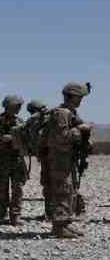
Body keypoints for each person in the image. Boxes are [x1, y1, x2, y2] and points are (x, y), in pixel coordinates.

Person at [45, 82, 92, 238]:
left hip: (67, 157)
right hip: (60, 157)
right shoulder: (62, 113)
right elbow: (61, 137)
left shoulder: (70, 113)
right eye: (78, 97)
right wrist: (80, 129)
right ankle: (59, 226)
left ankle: (64, 223)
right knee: (62, 190)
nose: (80, 100)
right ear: (70, 96)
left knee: (69, 190)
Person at [0, 95, 27, 225]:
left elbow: (26, 137)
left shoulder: (20, 121)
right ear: (8, 106)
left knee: (18, 188)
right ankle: (2, 211)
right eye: (17, 106)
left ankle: (15, 215)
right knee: (2, 188)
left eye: (20, 106)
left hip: (17, 159)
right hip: (1, 159)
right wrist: (1, 138)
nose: (19, 109)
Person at [23, 100, 50, 219]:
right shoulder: (53, 116)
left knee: (49, 184)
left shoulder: (34, 120)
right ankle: (53, 213)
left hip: (47, 156)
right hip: (54, 155)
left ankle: (52, 213)